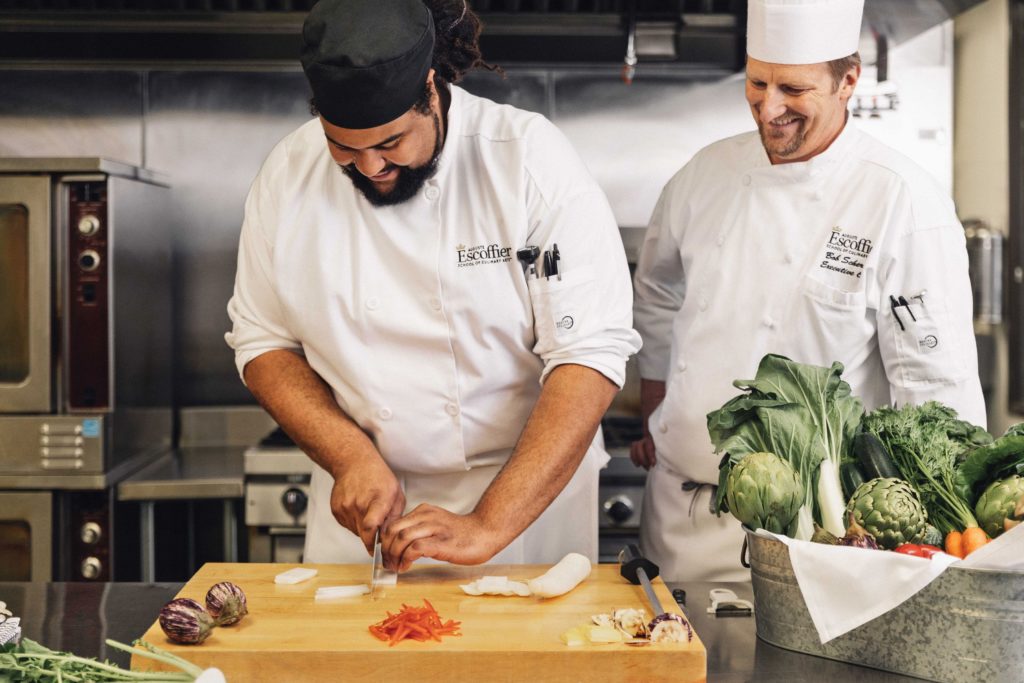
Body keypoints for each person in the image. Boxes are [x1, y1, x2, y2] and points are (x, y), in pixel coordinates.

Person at [225, 0, 640, 572]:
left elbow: (589, 355)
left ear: (430, 88)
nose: (369, 168)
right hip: (366, 506)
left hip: (523, 506)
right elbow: (262, 342)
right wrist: (347, 456)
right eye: (345, 148)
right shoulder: (287, 175)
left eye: (391, 143)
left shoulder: (525, 162)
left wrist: (489, 523)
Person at [630, 0, 986, 582]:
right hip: (682, 520)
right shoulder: (703, 174)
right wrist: (654, 411)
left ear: (848, 81)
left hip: (825, 537)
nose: (769, 108)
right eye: (756, 82)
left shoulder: (901, 200)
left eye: (793, 88)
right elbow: (657, 293)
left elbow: (934, 390)